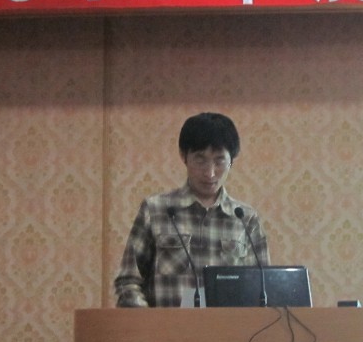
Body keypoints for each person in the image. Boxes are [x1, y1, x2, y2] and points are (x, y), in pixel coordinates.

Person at [114, 112, 270, 307]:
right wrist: (149, 321)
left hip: (227, 326)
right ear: (183, 156)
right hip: (166, 326)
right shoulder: (155, 210)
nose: (210, 172)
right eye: (200, 159)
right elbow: (128, 280)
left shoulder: (246, 219)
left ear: (232, 160)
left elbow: (263, 290)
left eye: (219, 161)